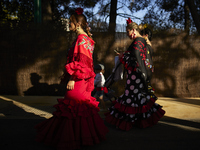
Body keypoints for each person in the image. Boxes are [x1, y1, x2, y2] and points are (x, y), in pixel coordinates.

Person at [35, 8, 108, 150]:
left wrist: (73, 78)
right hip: (85, 79)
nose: (69, 24)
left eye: (71, 22)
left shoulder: (81, 39)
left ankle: (70, 138)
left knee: (71, 107)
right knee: (81, 109)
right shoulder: (88, 39)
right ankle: (83, 136)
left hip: (79, 80)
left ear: (78, 24)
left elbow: (81, 62)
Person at [105, 18, 165, 131]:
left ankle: (127, 122)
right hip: (138, 75)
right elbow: (140, 56)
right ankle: (140, 121)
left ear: (133, 30)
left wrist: (124, 57)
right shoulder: (142, 41)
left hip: (135, 75)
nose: (127, 35)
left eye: (128, 32)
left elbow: (136, 56)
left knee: (131, 96)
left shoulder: (138, 41)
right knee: (136, 97)